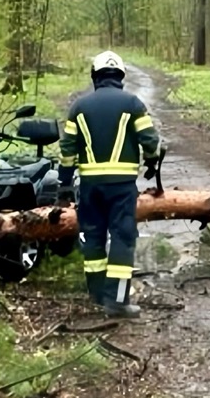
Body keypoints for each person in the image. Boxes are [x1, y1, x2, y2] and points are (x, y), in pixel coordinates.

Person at [58, 51, 163, 318]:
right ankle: (116, 301)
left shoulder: (78, 108)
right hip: (121, 187)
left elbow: (67, 151)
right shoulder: (133, 104)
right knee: (122, 237)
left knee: (92, 238)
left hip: (90, 187)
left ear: (95, 77)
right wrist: (152, 162)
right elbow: (151, 142)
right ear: (120, 77)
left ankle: (96, 295)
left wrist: (64, 184)